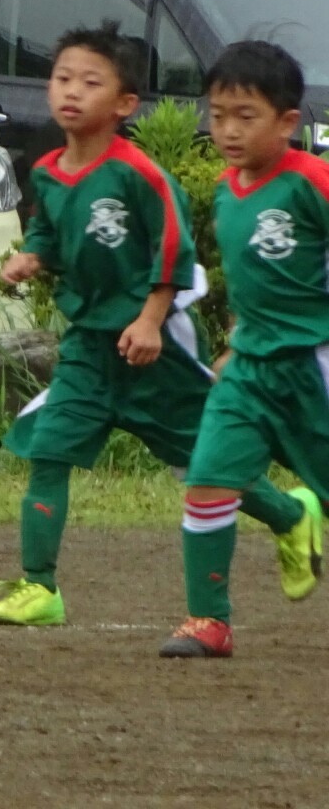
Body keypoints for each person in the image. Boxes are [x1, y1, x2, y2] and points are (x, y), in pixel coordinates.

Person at [0, 23, 314, 629]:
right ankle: (40, 586)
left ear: (125, 104)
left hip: (154, 345)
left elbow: (174, 249)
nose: (70, 92)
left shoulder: (139, 174)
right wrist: (32, 255)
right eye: (61, 78)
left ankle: (290, 516)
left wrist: (153, 319)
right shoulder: (50, 172)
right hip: (88, 344)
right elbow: (50, 231)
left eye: (90, 81)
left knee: (202, 464)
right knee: (49, 449)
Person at [161, 41, 327, 659]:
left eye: (245, 116)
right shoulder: (229, 192)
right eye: (218, 113)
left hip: (312, 366)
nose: (227, 129)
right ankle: (209, 621)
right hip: (251, 371)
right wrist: (236, 341)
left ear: (288, 122)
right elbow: (252, 281)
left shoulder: (313, 183)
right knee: (208, 480)